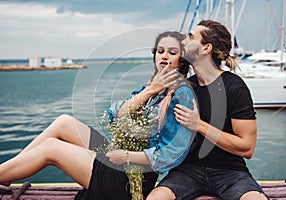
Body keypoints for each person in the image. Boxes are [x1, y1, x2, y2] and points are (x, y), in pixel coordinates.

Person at [0, 31, 196, 200]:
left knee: (52, 148)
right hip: (117, 155)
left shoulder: (181, 94)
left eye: (172, 52)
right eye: (160, 51)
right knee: (64, 122)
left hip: (129, 178)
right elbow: (114, 115)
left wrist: (127, 155)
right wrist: (150, 90)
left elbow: (174, 153)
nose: (164, 56)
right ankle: (7, 174)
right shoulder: (152, 87)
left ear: (182, 59)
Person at [147, 20, 268, 200]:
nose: (183, 42)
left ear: (206, 48)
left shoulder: (234, 87)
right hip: (188, 171)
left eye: (191, 37)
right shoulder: (185, 88)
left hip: (230, 172)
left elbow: (247, 148)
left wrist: (199, 125)